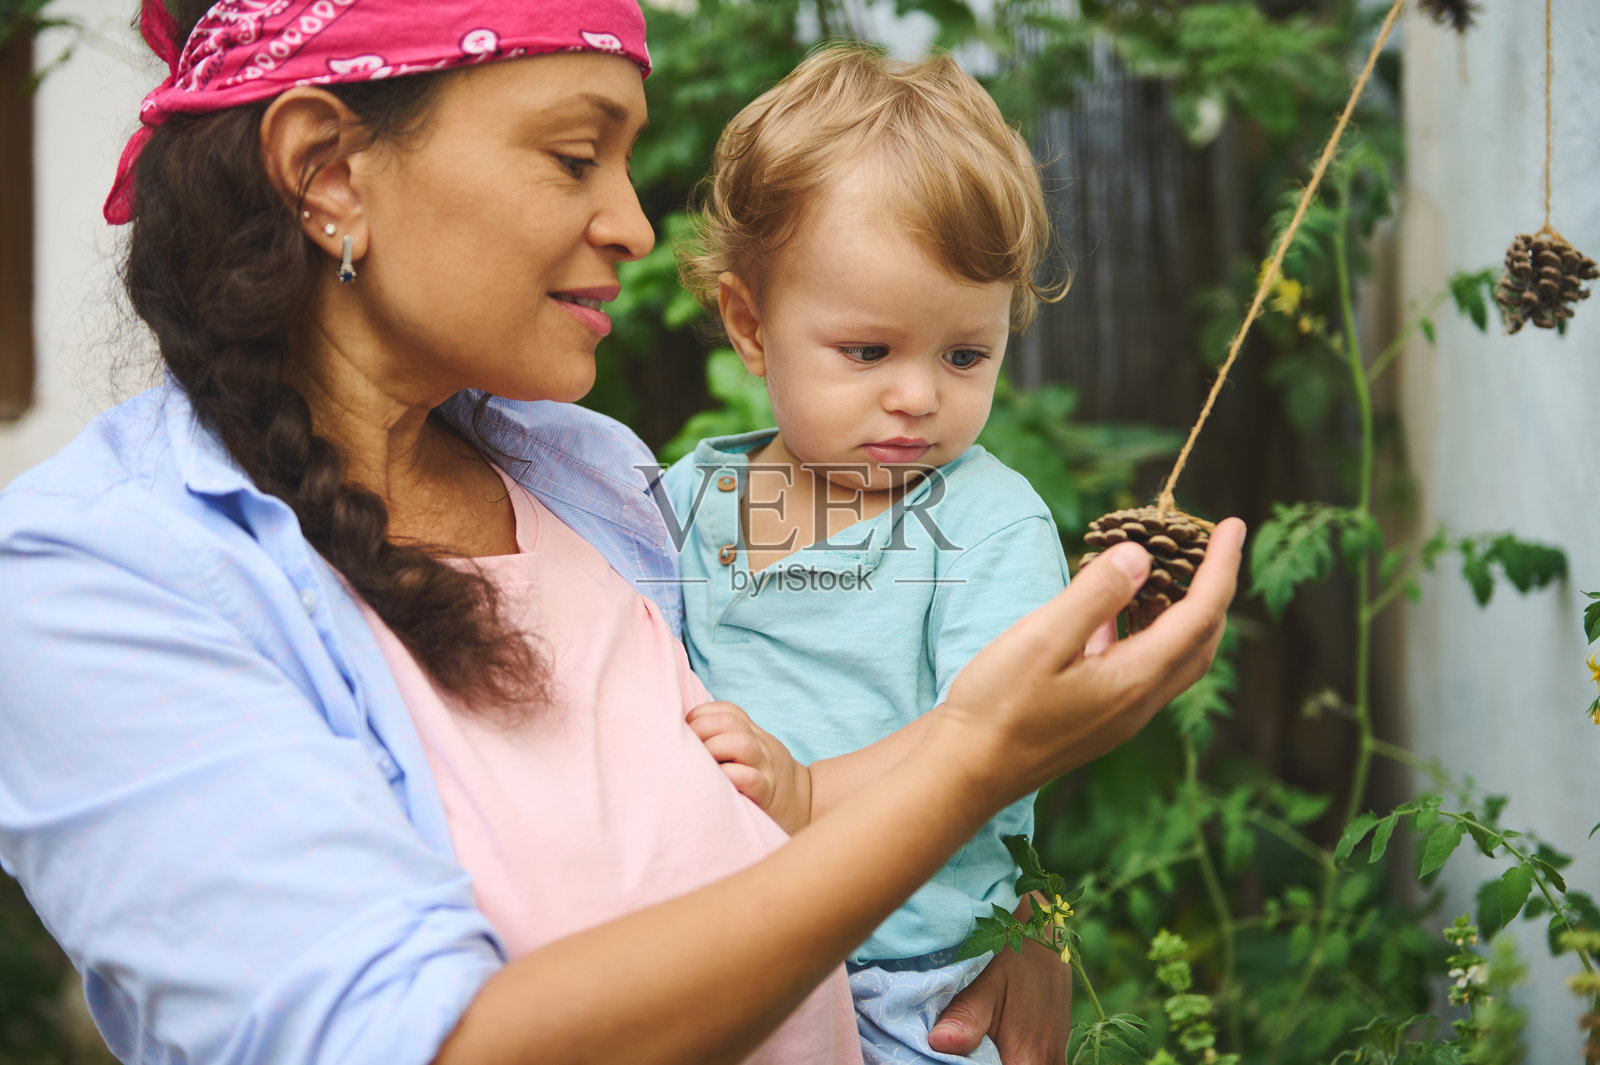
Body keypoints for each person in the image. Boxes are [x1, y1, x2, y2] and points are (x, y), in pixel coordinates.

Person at [0, 2, 1244, 1064]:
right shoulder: (95, 580)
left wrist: (1016, 913)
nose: (637, 228)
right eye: (573, 157)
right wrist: (973, 762)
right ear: (329, 173)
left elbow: (807, 736)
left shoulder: (591, 476)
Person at [663, 46, 1071, 1065]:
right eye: (868, 351)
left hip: (907, 986)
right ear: (750, 326)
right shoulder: (680, 504)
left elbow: (996, 748)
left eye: (964, 354)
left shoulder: (988, 526)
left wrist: (807, 796)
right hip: (710, 964)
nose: (919, 397)